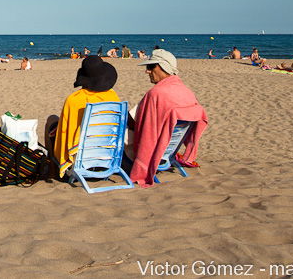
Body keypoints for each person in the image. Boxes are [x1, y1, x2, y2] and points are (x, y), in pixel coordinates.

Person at [130, 50, 208, 187]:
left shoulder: (156, 94)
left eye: (150, 67)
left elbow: (144, 130)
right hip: (169, 151)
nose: (147, 71)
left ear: (162, 66)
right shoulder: (186, 92)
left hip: (155, 153)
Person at [48, 56, 121, 180]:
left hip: (81, 159)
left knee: (51, 120)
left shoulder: (75, 99)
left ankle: (54, 171)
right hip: (107, 156)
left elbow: (67, 130)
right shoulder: (113, 97)